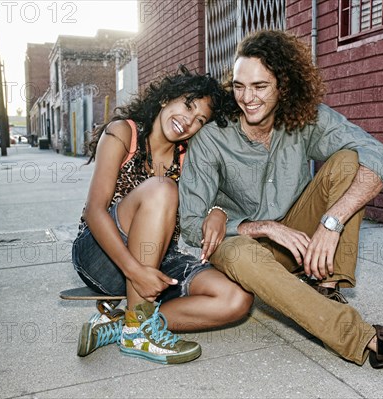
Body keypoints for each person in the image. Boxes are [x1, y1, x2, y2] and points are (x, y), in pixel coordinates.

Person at [179, 30, 383, 396]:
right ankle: (379, 344)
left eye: (260, 86)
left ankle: (324, 286)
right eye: (240, 86)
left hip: (301, 238)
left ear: (284, 85)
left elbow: (380, 157)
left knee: (348, 162)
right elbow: (191, 225)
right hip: (241, 242)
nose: (247, 98)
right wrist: (265, 228)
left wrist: (331, 221)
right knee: (240, 252)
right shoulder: (212, 138)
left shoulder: (304, 120)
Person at [71, 66, 253, 364]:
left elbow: (217, 195)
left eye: (200, 120)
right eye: (187, 105)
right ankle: (140, 332)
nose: (188, 121)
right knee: (162, 188)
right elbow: (94, 211)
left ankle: (126, 323)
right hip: (102, 255)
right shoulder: (123, 133)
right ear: (166, 99)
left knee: (236, 300)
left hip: (159, 259)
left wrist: (218, 210)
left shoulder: (188, 156)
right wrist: (135, 270)